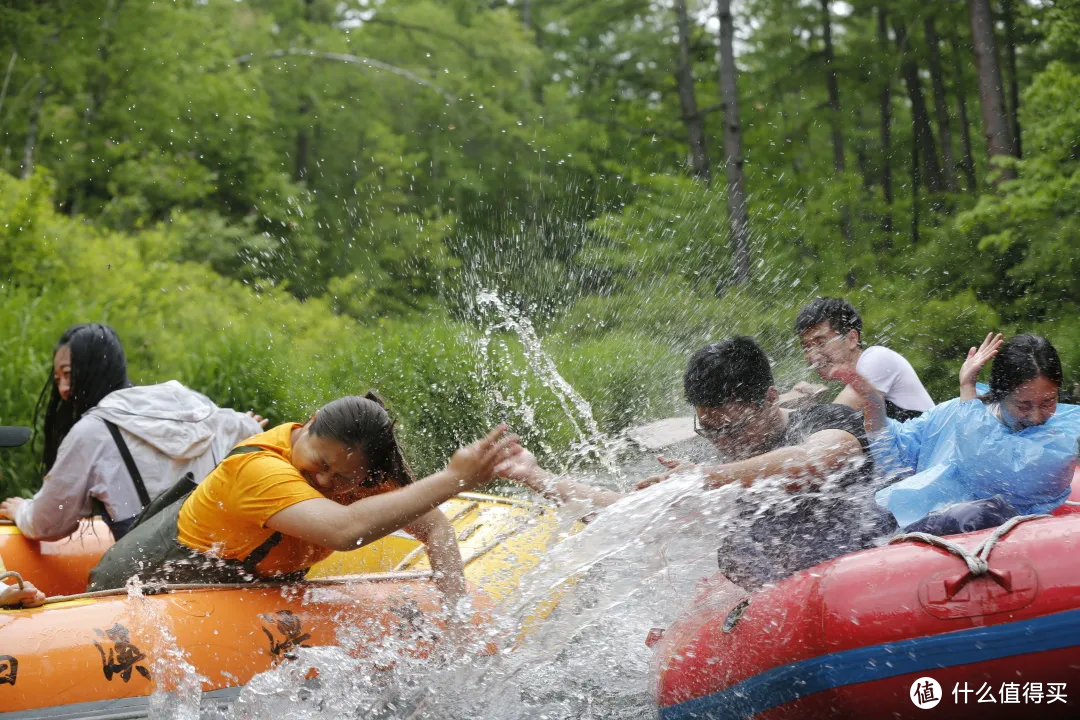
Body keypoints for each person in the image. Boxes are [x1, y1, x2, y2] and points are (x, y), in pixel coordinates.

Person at [499, 337, 892, 588]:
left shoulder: (824, 420)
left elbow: (815, 459)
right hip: (781, 599)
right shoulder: (711, 468)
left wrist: (708, 478)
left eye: (732, 428)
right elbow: (623, 512)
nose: (722, 443)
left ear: (771, 397)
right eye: (709, 430)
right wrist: (535, 476)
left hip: (861, 579)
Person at [87, 394, 517, 610]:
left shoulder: (363, 476)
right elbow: (342, 531)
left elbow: (436, 528)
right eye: (321, 462)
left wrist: (456, 621)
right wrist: (453, 479)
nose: (327, 481)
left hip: (243, 586)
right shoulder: (257, 470)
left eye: (344, 478)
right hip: (143, 584)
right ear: (308, 425)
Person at [0, 324, 265, 540]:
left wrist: (22, 510)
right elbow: (241, 428)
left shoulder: (91, 432)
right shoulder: (188, 405)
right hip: (223, 555)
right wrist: (250, 426)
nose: (63, 389)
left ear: (95, 369)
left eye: (68, 374)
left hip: (156, 573)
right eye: (58, 379)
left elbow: (49, 522)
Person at [837, 333, 1080, 535]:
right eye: (1023, 405)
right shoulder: (958, 410)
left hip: (996, 538)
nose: (1036, 416)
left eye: (1048, 402)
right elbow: (895, 453)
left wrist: (967, 388)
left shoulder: (1064, 433)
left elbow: (986, 467)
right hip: (913, 536)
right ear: (1000, 392)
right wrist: (873, 403)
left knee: (977, 512)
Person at [792, 297, 933, 421]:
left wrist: (798, 414)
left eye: (821, 343)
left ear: (852, 338)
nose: (812, 355)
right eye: (806, 347)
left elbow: (834, 418)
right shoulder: (856, 382)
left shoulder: (877, 358)